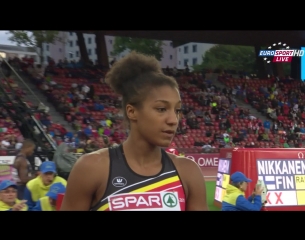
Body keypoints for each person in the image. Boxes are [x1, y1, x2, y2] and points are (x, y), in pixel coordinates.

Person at [61, 51, 208, 211]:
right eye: (161, 109)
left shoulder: (188, 172)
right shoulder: (91, 168)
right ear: (132, 111)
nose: (173, 120)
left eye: (177, 110)